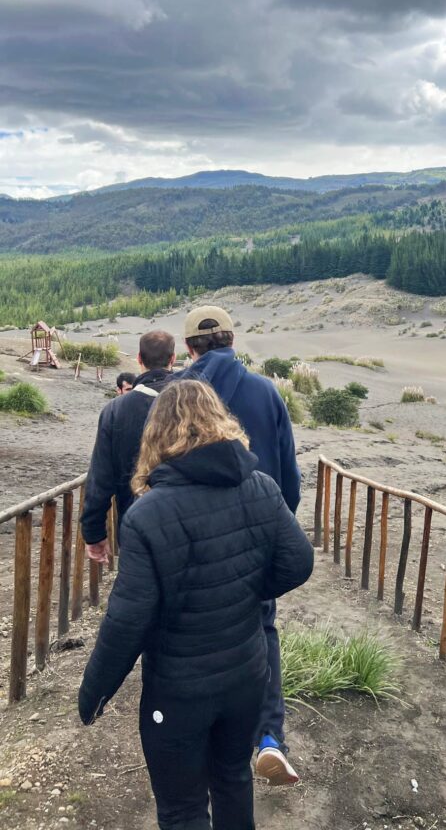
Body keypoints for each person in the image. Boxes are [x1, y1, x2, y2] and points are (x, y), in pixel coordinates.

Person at [78, 380, 314, 830]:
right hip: (247, 676)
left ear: (157, 434)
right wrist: (247, 589)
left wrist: (94, 694)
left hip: (178, 690)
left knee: (182, 808)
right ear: (220, 421)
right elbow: (299, 563)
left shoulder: (146, 515)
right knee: (232, 779)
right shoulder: (261, 487)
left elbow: (127, 621)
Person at [178, 305, 302, 785]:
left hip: (187, 540)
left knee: (188, 633)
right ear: (232, 340)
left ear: (189, 347)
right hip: (257, 537)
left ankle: (200, 738)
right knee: (261, 630)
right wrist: (277, 527)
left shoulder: (175, 395)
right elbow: (289, 478)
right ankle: (268, 737)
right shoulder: (266, 392)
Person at [81, 331, 175, 563]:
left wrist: (93, 532)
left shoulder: (116, 410)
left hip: (135, 525)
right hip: (188, 522)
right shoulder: (193, 402)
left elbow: (101, 476)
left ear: (139, 359)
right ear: (173, 359)